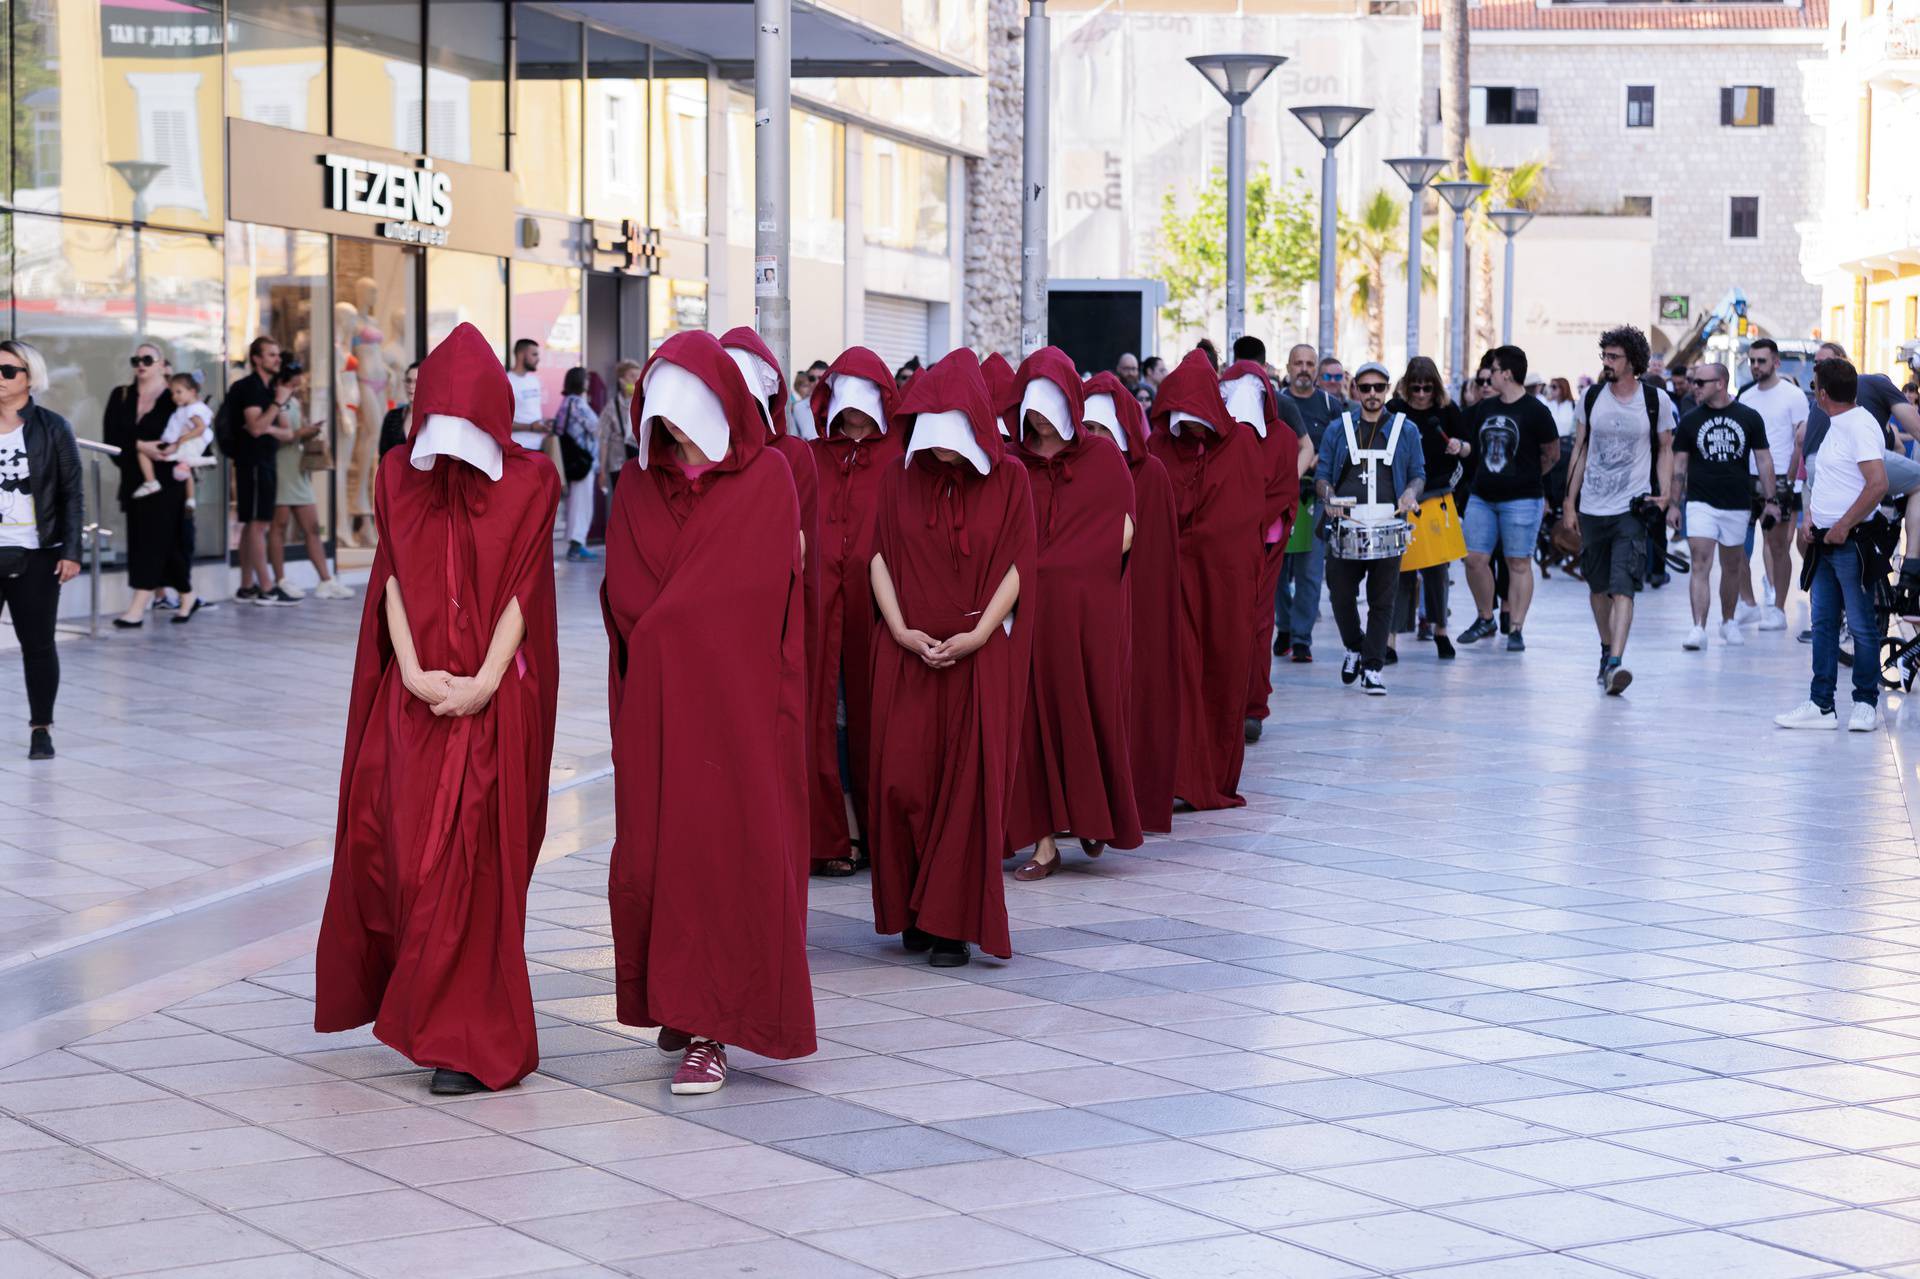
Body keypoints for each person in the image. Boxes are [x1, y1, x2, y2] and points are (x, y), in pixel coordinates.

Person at [315, 322, 562, 1096]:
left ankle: (470, 1037)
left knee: (477, 865)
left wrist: (485, 680)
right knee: (403, 855)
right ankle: (424, 1008)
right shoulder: (396, 474)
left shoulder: (532, 481)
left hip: (492, 703)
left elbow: (526, 588)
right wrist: (417, 671)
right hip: (414, 698)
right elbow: (389, 577)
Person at [602, 330, 814, 1095]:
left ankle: (714, 1027)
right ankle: (677, 997)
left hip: (735, 709)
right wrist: (667, 628)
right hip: (657, 708)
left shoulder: (766, 482)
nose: (675, 435)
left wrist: (670, 624)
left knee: (725, 860)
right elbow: (625, 593)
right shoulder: (635, 488)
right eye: (663, 421)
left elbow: (757, 594)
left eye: (686, 419)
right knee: (657, 856)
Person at [867, 349, 1033, 968]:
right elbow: (879, 556)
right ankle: (914, 906)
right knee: (902, 782)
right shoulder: (896, 476)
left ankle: (951, 923)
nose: (942, 454)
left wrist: (981, 634)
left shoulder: (1010, 479)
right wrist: (902, 629)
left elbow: (1019, 565)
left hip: (978, 655)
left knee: (967, 788)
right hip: (906, 651)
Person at [1005, 347, 1140, 880]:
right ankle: (1042, 843)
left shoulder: (1103, 458)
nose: (1036, 418)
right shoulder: (1013, 463)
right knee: (1031, 722)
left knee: (1087, 710)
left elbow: (1125, 527)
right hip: (1030, 613)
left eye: (1046, 406)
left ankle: (1091, 815)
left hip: (1087, 614)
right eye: (1030, 408)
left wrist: (1069, 567)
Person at [1149, 349, 1262, 810]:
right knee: (1178, 675)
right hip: (1173, 580)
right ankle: (1179, 775)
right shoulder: (1159, 448)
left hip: (1224, 580)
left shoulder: (1238, 446)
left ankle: (1212, 774)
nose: (1191, 428)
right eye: (1184, 419)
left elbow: (1243, 516)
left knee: (1224, 669)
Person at [808, 347, 902, 875]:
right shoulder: (815, 456)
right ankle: (835, 831)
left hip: (878, 605)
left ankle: (877, 831)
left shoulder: (898, 455)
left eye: (863, 411)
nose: (854, 421)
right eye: (846, 412)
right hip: (822, 604)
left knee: (877, 717)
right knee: (827, 720)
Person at [1083, 371, 1179, 833]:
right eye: (1087, 429)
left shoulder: (1150, 474)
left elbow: (1154, 558)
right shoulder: (1074, 472)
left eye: (1102, 429)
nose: (1094, 439)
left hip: (1133, 609)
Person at [1562, 325, 1675, 694]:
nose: (1607, 363)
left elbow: (1665, 449)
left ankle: (1615, 664)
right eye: (1605, 356)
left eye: (1614, 357)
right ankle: (1605, 646)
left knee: (1623, 586)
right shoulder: (1591, 397)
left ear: (1633, 362)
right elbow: (1579, 450)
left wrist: (1666, 495)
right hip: (1593, 506)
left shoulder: (1655, 401)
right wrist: (1568, 502)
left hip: (1632, 507)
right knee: (1597, 589)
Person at [1777, 358, 1888, 732]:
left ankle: (1865, 703)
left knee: (1861, 626)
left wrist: (1842, 525)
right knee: (1822, 622)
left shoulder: (1860, 426)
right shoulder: (1834, 424)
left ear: (1821, 394)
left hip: (1850, 542)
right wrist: (1811, 519)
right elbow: (1828, 481)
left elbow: (1877, 484)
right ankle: (1821, 704)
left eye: (1814, 387)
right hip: (1823, 543)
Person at [1314, 363, 1425, 693]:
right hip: (1347, 525)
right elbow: (1321, 476)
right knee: (1341, 595)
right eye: (1366, 388)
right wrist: (1329, 496)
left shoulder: (1406, 430)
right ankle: (1353, 646)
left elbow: (1418, 473)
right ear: (1356, 390)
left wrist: (1410, 493)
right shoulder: (1338, 429)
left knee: (1382, 600)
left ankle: (1373, 667)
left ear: (1388, 390)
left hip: (1389, 525)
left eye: (1379, 387)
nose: (1373, 394)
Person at [0, 340, 81, 760]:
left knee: (38, 644)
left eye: (8, 371)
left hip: (36, 552)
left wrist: (71, 550)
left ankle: (40, 728)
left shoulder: (52, 427)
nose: (0, 378)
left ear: (30, 377)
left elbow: (71, 492)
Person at [1220, 336, 1303, 740]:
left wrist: (1253, 522)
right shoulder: (1214, 443)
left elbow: (1285, 491)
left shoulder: (1283, 437)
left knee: (1256, 623)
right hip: (1221, 550)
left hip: (1263, 549)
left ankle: (1252, 704)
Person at [1460, 345, 1561, 652]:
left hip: (1522, 498)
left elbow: (1552, 454)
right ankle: (1485, 616)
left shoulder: (1536, 410)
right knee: (1474, 559)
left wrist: (1529, 476)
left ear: (1507, 373)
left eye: (1493, 368)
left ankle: (1516, 626)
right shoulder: (1486, 407)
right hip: (1482, 496)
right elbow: (1475, 449)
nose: (1488, 375)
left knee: (1518, 562)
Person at [1671, 363, 1775, 651]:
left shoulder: (1748, 417)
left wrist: (1772, 500)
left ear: (1720, 383)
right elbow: (1679, 465)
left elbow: (1764, 460)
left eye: (1701, 382)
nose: (1695, 387)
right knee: (1700, 562)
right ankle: (1697, 628)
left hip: (1737, 503)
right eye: (1694, 382)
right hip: (1700, 502)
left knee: (1732, 566)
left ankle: (1728, 621)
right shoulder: (1690, 420)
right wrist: (1673, 504)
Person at [106, 342, 203, 627]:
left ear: (162, 363)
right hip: (135, 479)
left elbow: (196, 429)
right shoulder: (121, 396)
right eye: (136, 359)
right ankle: (188, 594)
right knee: (156, 542)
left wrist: (172, 450)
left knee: (152, 541)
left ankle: (138, 606)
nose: (141, 364)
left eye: (148, 359)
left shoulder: (175, 397)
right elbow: (111, 439)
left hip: (169, 479)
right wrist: (140, 446)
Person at [1388, 357, 1469, 661]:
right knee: (1399, 570)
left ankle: (1441, 632)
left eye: (1427, 388)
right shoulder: (1395, 410)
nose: (1422, 394)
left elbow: (1469, 448)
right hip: (1402, 498)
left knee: (1437, 569)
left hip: (1436, 494)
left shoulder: (1447, 411)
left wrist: (1459, 447)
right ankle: (1391, 639)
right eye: (1416, 388)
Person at [1277, 344, 1345, 662]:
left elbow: (1342, 447)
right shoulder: (1274, 401)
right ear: (1288, 367)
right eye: (1298, 363)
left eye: (1310, 363)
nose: (1304, 369)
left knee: (1309, 570)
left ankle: (1302, 637)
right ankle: (1285, 628)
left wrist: (1322, 461)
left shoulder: (1332, 405)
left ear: (1316, 369)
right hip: (1277, 496)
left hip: (1314, 497)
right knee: (1276, 569)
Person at [268, 363, 353, 602]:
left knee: (312, 527)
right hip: (282, 467)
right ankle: (280, 580)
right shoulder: (276, 402)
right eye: (292, 382)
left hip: (297, 469)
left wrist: (308, 431)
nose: (296, 386)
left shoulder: (293, 401)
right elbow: (276, 434)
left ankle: (326, 580)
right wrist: (302, 432)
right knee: (279, 526)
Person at [229, 337, 299, 606]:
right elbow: (256, 427)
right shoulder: (250, 388)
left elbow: (287, 432)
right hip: (253, 464)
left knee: (253, 525)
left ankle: (247, 585)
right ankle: (266, 586)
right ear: (256, 358)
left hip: (265, 462)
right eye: (271, 355)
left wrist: (271, 416)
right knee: (258, 525)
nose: (277, 360)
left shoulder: (271, 389)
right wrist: (276, 405)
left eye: (277, 355)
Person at [134, 372, 212, 503]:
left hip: (176, 443)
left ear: (192, 391)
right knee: (185, 467)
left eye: (178, 392)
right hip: (177, 443)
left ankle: (151, 481)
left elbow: (201, 428)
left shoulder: (192, 410)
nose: (174, 397)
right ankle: (191, 499)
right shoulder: (188, 408)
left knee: (142, 451)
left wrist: (182, 439)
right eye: (172, 393)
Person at [555, 367, 600, 562]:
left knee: (576, 501)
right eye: (586, 379)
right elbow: (596, 427)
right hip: (582, 459)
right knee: (582, 503)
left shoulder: (566, 402)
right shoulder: (577, 403)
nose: (588, 383)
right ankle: (576, 544)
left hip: (572, 459)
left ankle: (576, 544)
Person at [597, 359, 641, 497]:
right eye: (632, 376)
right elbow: (603, 439)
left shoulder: (644, 403)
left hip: (639, 462)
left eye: (638, 376)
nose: (636, 380)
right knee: (622, 502)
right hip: (617, 463)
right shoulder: (612, 406)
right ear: (621, 379)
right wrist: (602, 469)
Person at [507, 338, 547, 452]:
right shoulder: (507, 381)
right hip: (518, 448)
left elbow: (532, 414)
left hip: (538, 446)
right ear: (520, 355)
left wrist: (544, 424)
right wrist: (530, 427)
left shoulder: (534, 380)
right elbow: (500, 423)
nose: (538, 359)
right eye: (534, 354)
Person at [377, 362, 420, 457]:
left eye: (417, 381)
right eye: (408, 381)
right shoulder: (392, 416)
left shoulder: (432, 419)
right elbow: (384, 456)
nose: (411, 386)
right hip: (395, 471)